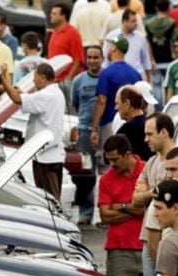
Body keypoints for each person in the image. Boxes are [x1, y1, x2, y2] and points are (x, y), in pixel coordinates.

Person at [131, 112, 176, 276]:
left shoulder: (177, 158)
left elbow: (173, 191)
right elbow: (136, 199)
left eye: (150, 133)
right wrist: (155, 190)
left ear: (164, 132)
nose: (146, 138)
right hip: (149, 239)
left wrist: (150, 191)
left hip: (170, 240)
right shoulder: (150, 163)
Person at [0, 62, 66, 199]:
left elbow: (16, 99)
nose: (33, 80)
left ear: (43, 77)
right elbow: (33, 101)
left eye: (35, 77)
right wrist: (17, 90)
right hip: (52, 155)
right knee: (49, 197)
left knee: (49, 200)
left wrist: (2, 79)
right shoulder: (56, 93)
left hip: (46, 158)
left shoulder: (45, 96)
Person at [98, 134, 146, 276]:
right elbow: (105, 215)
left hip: (147, 246)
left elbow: (147, 210)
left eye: (115, 159)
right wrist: (131, 207)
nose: (112, 164)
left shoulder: (147, 172)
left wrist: (119, 206)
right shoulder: (106, 179)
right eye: (109, 160)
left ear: (127, 155)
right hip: (119, 249)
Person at [89, 35, 141, 157]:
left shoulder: (106, 73)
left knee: (109, 159)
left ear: (114, 49)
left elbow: (101, 101)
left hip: (109, 124)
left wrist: (94, 128)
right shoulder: (135, 74)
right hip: (131, 123)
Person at [72, 46, 104, 225]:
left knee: (106, 172)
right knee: (86, 174)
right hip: (84, 131)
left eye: (96, 57)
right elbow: (75, 104)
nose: (92, 61)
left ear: (102, 58)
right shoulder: (78, 80)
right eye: (90, 57)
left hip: (104, 130)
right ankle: (86, 213)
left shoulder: (107, 78)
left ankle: (105, 213)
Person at [103, 9, 153, 82]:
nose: (136, 23)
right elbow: (105, 59)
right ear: (124, 21)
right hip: (117, 76)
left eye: (136, 21)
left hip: (137, 75)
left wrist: (149, 81)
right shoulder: (111, 37)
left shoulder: (141, 37)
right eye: (133, 21)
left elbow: (146, 60)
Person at [145, 0, 177, 105]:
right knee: (170, 87)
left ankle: (158, 109)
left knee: (157, 86)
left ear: (156, 8)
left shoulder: (148, 24)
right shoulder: (172, 23)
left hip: (155, 60)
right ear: (168, 8)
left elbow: (148, 43)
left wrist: (151, 60)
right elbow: (175, 40)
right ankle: (168, 108)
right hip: (169, 59)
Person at [48, 3, 84, 82]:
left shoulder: (73, 33)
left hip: (66, 81)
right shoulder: (55, 32)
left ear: (63, 16)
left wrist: (68, 79)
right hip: (55, 79)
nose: (51, 15)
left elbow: (78, 60)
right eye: (51, 13)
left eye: (54, 14)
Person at [116, 87, 151, 161]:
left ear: (127, 104)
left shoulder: (127, 130)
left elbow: (110, 153)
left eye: (117, 103)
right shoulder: (150, 125)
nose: (115, 108)